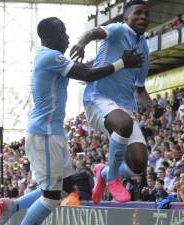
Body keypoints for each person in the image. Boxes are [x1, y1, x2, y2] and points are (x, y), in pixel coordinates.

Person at [0, 17, 144, 225]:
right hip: (44, 133)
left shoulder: (49, 57)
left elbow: (88, 68)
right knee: (51, 198)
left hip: (52, 132)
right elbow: (87, 74)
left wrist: (113, 62)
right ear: (49, 36)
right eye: (63, 33)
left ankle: (13, 206)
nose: (68, 37)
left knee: (64, 187)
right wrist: (122, 63)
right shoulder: (50, 57)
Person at [69, 0, 151, 204]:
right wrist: (81, 43)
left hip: (125, 107)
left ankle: (104, 173)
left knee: (138, 165)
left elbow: (140, 88)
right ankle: (114, 176)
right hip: (97, 98)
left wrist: (149, 103)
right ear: (126, 18)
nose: (143, 17)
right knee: (123, 124)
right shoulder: (117, 30)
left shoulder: (144, 48)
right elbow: (94, 32)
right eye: (138, 13)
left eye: (146, 15)